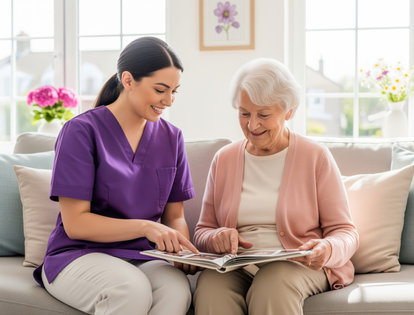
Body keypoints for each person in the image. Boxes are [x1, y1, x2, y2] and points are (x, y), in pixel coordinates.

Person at [33, 37, 199, 315]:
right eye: (160, 89)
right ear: (128, 80)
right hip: (79, 253)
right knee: (129, 289)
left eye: (174, 91)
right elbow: (76, 224)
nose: (168, 101)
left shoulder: (172, 137)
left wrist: (180, 248)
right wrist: (146, 228)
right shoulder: (81, 131)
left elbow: (175, 217)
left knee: (176, 289)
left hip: (144, 255)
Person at [193, 58, 359, 315]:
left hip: (297, 265)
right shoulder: (224, 159)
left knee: (273, 282)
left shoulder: (315, 156)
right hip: (237, 267)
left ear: (288, 111)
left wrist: (326, 249)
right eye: (244, 113)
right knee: (211, 285)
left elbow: (345, 231)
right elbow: (203, 231)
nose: (252, 125)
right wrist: (216, 238)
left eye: (264, 114)